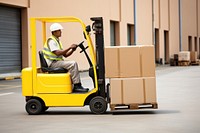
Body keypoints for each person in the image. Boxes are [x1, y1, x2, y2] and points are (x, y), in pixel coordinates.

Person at [42, 23, 89, 93]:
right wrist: (70, 47)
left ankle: (75, 85)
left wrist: (72, 50)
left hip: (56, 62)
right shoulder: (51, 41)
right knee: (73, 64)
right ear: (54, 32)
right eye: (59, 30)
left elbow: (65, 55)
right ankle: (77, 85)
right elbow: (57, 53)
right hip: (52, 63)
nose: (61, 32)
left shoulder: (57, 41)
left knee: (72, 63)